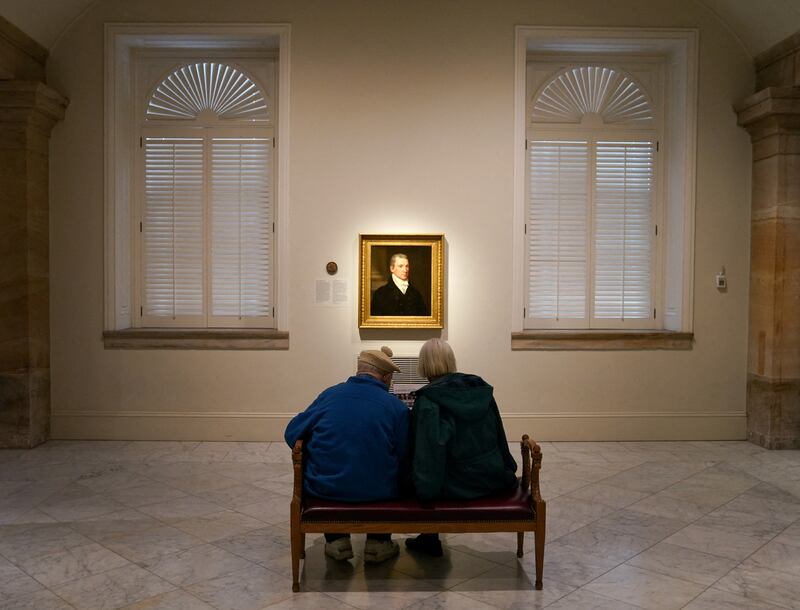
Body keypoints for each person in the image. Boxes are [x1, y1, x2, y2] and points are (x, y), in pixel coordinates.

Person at [284, 346, 409, 563]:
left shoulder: (330, 395)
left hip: (326, 489)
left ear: (359, 370)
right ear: (387, 377)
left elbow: (291, 433)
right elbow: (406, 452)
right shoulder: (395, 407)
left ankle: (336, 541)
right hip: (380, 492)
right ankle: (378, 543)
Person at [405, 339, 518, 556]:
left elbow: (429, 457)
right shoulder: (479, 390)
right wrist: (507, 470)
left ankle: (429, 537)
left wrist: (423, 492)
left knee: (415, 476)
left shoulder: (429, 402)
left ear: (423, 364)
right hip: (492, 476)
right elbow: (499, 436)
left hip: (460, 485)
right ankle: (428, 536)